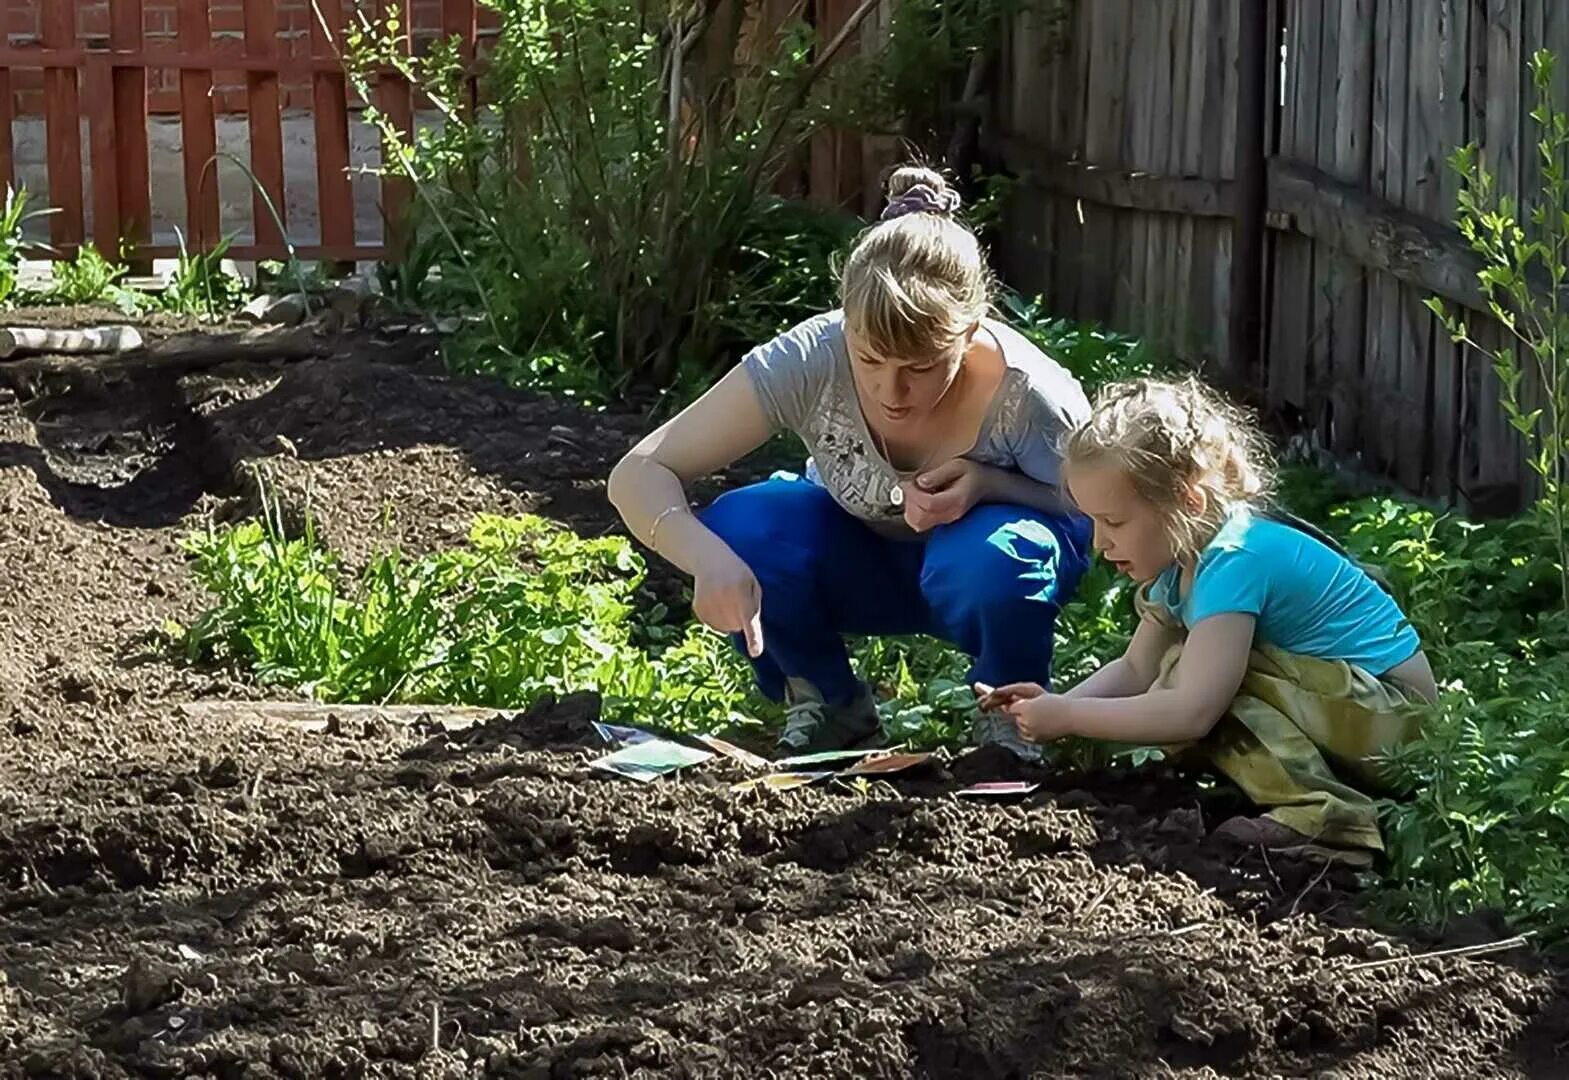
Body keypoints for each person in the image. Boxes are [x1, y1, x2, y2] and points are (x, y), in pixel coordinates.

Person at [608, 166, 1093, 757]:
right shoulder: (811, 357)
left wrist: (992, 485)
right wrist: (706, 558)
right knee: (743, 528)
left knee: (998, 557)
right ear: (846, 326)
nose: (892, 391)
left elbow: (1095, 510)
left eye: (919, 368)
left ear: (969, 333)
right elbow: (640, 472)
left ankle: (1009, 719)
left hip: (979, 570)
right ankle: (832, 706)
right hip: (857, 559)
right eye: (869, 359)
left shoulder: (1032, 396)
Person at [980, 377, 1438, 860]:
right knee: (1181, 668)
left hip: (1401, 729)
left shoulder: (1233, 560)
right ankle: (1303, 796)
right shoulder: (1184, 561)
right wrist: (1053, 708)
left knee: (1192, 676)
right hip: (1354, 715)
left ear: (1188, 502)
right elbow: (1136, 670)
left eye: (1114, 522)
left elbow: (1193, 710)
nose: (1099, 543)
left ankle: (1326, 821)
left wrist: (1070, 717)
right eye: (1094, 522)